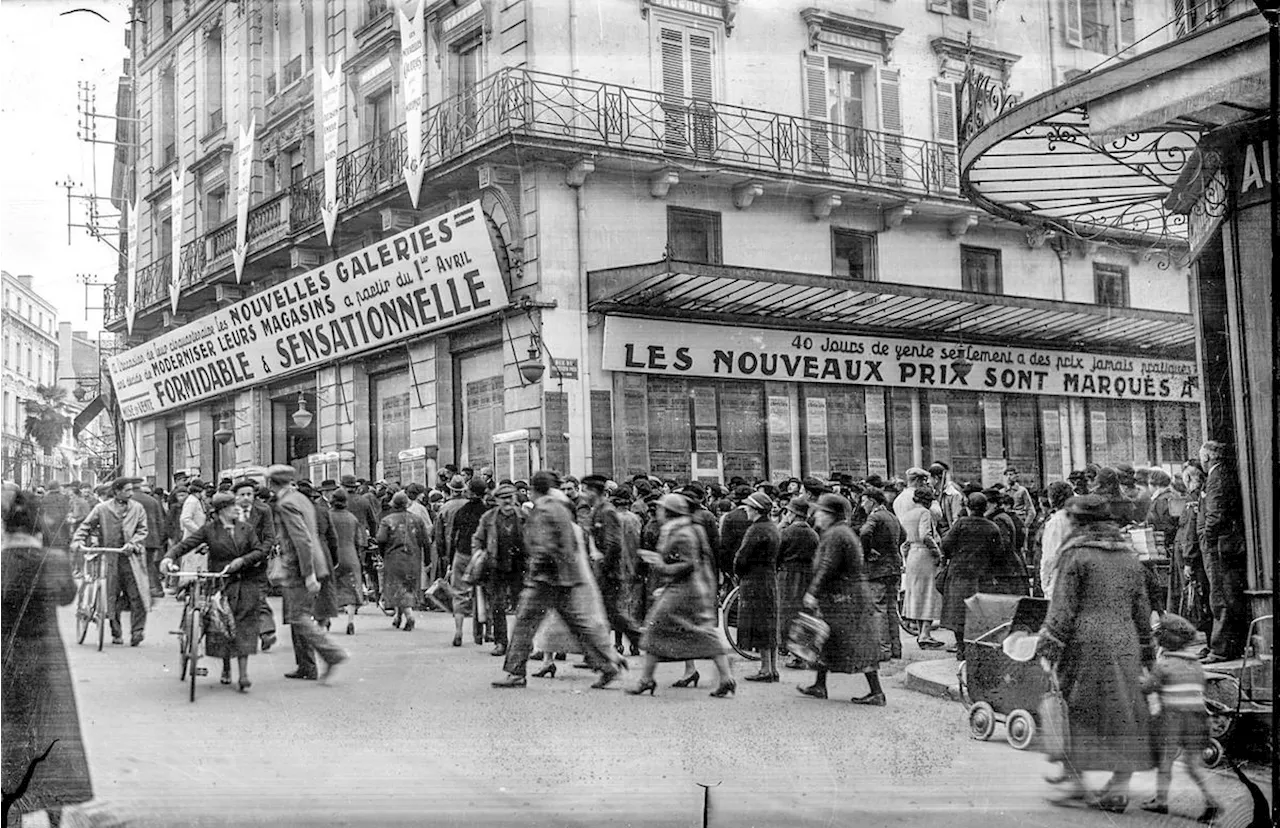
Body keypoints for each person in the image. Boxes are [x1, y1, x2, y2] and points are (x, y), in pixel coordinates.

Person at [1036, 494, 1154, 813]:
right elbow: (1142, 609)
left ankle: (1075, 781)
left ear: (1081, 523)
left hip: (1084, 644)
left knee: (1077, 710)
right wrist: (1147, 651)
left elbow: (1062, 608)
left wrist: (1048, 645)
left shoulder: (1076, 555)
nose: (1070, 525)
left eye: (1073, 520)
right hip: (1125, 640)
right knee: (1124, 713)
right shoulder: (1129, 555)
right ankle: (1119, 786)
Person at [1, 488, 94, 823]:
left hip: (5, 663)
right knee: (51, 733)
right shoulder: (54, 560)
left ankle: (13, 812)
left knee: (10, 735)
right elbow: (68, 597)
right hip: (46, 660)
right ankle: (55, 812)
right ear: (37, 528)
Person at [492, 470, 625, 689]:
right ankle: (607, 665)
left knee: (524, 623)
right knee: (578, 624)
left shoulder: (543, 510)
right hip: (565, 576)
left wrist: (535, 566)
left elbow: (545, 546)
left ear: (535, 490)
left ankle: (515, 671)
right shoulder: (560, 507)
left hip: (545, 578)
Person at [627, 493, 735, 698]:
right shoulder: (682, 530)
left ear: (669, 513)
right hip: (686, 590)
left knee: (654, 629)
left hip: (683, 591)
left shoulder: (681, 533)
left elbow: (688, 563)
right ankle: (726, 678)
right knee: (702, 633)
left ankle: (646, 679)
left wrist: (661, 566)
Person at [161, 491, 268, 691]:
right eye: (231, 506)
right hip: (221, 583)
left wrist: (242, 561)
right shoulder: (209, 530)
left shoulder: (247, 529)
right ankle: (226, 667)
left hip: (245, 582)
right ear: (220, 511)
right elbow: (186, 545)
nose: (237, 509)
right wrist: (168, 558)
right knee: (222, 625)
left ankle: (243, 675)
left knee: (244, 626)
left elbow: (260, 551)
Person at [796, 493, 886, 706]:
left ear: (830, 515)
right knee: (826, 639)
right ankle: (819, 685)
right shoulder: (838, 532)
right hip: (844, 597)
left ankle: (877, 692)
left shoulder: (836, 534)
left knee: (857, 643)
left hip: (846, 599)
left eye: (820, 511)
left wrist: (812, 593)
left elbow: (827, 566)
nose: (816, 515)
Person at [266, 465, 348, 682]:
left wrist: (308, 574)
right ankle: (314, 663)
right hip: (314, 563)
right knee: (299, 615)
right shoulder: (302, 499)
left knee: (298, 616)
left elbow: (301, 540)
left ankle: (332, 653)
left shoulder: (285, 504)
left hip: (300, 568)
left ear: (272, 484)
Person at [1139, 613, 1220, 822]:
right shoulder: (1195, 665)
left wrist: (1141, 681)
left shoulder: (1164, 665)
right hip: (1198, 719)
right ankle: (1211, 801)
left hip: (1173, 719)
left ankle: (1161, 800)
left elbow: (1148, 688)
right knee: (1193, 766)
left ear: (1163, 641)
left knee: (1166, 762)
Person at [938, 493, 1026, 661]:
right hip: (982, 575)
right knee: (979, 612)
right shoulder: (992, 527)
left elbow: (946, 545)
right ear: (985, 507)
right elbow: (998, 553)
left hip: (959, 574)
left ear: (969, 507)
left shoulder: (961, 524)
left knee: (958, 612)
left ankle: (961, 648)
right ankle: (975, 647)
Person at [70, 477, 151, 647]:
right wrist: (77, 540)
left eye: (131, 490)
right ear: (116, 491)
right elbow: (86, 526)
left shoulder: (137, 508)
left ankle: (137, 631)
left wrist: (133, 543)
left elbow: (143, 530)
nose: (130, 493)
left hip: (132, 558)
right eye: (127, 490)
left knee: (137, 595)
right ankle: (116, 632)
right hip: (111, 557)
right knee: (112, 595)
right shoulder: (102, 509)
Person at [581, 475, 644, 656]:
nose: (583, 494)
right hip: (601, 571)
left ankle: (644, 642)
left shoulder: (607, 511)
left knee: (613, 614)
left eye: (585, 490)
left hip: (609, 573)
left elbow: (614, 545)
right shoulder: (597, 510)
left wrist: (604, 567)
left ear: (594, 491)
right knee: (607, 614)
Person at [1197, 440, 1248, 663]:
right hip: (1226, 545)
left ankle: (1221, 648)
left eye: (1201, 457)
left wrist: (1208, 539)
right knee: (1226, 595)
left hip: (1219, 546)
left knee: (1220, 596)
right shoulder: (1222, 474)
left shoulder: (1215, 477)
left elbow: (1215, 514)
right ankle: (1228, 646)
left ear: (1207, 457)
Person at [471, 483, 526, 656]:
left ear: (515, 498)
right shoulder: (489, 518)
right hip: (497, 566)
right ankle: (501, 642)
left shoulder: (524, 516)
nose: (507, 501)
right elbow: (478, 539)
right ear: (497, 500)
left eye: (510, 497)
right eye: (503, 498)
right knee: (497, 605)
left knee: (522, 606)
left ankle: (523, 643)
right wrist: (479, 555)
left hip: (520, 566)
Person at [735, 491, 781, 682]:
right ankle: (773, 668)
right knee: (769, 622)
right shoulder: (773, 528)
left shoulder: (755, 530)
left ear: (755, 510)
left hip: (754, 580)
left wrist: (738, 571)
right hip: (769, 578)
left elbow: (742, 557)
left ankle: (764, 669)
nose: (746, 509)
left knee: (760, 624)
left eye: (748, 507)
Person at [857, 488, 904, 663]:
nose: (862, 505)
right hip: (893, 567)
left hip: (877, 569)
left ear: (872, 501)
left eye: (864, 501)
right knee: (892, 608)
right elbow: (903, 535)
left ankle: (883, 650)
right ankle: (896, 648)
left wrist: (868, 551)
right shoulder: (891, 516)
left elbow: (864, 533)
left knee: (878, 609)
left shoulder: (874, 517)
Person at [376, 491, 431, 633]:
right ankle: (398, 617)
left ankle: (409, 616)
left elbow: (381, 539)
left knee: (396, 587)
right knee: (407, 587)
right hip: (413, 558)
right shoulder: (417, 520)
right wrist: (428, 560)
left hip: (394, 558)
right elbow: (426, 541)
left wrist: (383, 554)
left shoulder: (387, 520)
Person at [777, 498, 819, 669]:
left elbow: (777, 555)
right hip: (807, 575)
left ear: (793, 514)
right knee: (803, 613)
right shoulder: (813, 534)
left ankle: (788, 649)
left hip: (787, 575)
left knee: (786, 611)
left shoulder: (786, 533)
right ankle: (801, 652)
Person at [899, 487, 942, 649]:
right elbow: (925, 535)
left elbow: (903, 540)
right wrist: (937, 553)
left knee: (916, 593)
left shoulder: (907, 514)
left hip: (911, 555)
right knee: (928, 593)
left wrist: (906, 556)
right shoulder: (925, 513)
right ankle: (925, 633)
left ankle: (921, 632)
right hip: (925, 555)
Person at [448, 479, 489, 646]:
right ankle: (481, 633)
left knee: (459, 592)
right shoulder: (487, 512)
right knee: (482, 592)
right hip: (481, 555)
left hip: (462, 553)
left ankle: (458, 631)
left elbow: (452, 536)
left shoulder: (461, 511)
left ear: (469, 491)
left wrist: (450, 558)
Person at [327, 489, 364, 635]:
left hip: (332, 557)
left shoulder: (328, 516)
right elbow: (358, 541)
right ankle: (350, 621)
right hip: (350, 556)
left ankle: (327, 619)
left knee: (329, 588)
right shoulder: (352, 518)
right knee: (351, 589)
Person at [1036, 481, 1075, 599]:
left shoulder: (1055, 522)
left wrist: (1045, 584)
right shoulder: (1078, 518)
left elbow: (1049, 557)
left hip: (1060, 580)